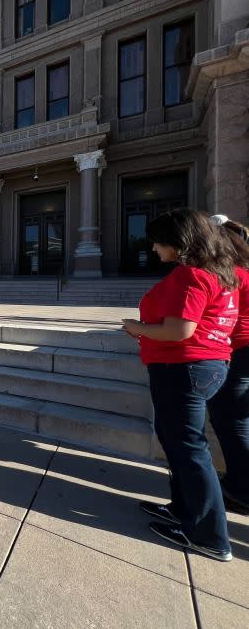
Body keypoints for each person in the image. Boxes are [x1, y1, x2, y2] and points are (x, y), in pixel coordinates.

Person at [122, 209, 240, 562]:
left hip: (184, 368)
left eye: (159, 241)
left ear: (179, 241)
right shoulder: (221, 274)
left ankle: (209, 535)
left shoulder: (190, 276)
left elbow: (179, 330)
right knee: (180, 443)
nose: (155, 248)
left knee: (189, 449)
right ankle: (183, 510)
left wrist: (136, 327)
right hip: (209, 364)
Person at [207, 215, 249, 513]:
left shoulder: (230, 273)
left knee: (230, 418)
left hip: (237, 348)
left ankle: (241, 487)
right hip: (240, 347)